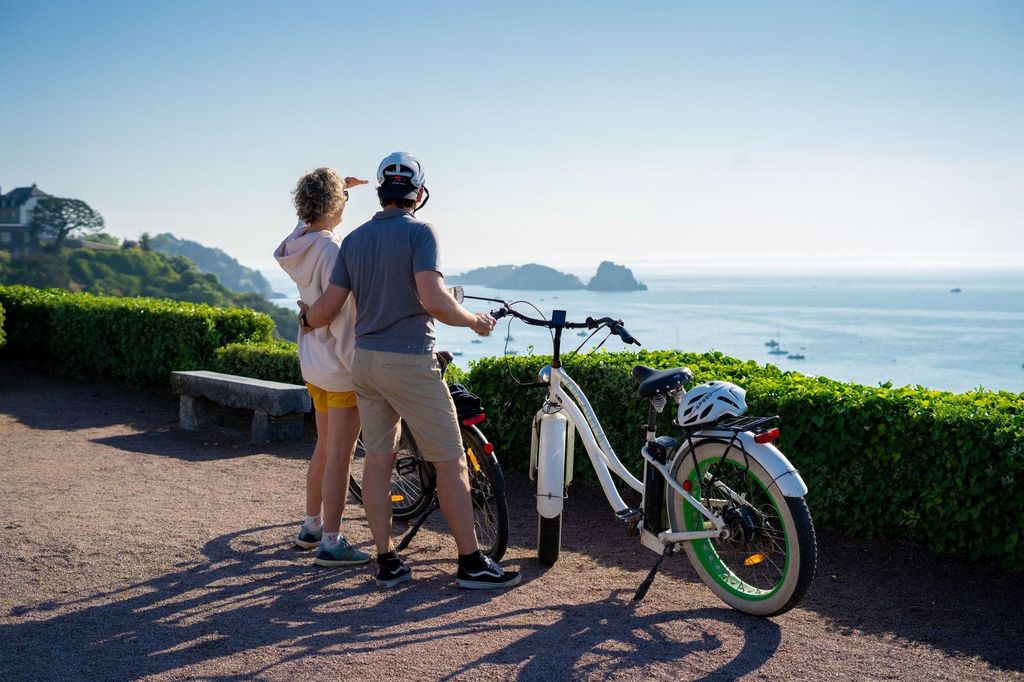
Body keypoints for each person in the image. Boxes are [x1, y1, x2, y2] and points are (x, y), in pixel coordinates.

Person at [300, 152, 520, 590]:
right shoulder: (422, 232)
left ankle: (387, 561)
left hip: (365, 363)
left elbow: (326, 310)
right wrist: (476, 321)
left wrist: (304, 320)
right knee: (451, 460)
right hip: (411, 361)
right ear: (419, 194)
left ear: (381, 193)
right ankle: (472, 564)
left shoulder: (356, 240)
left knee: (379, 460)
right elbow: (435, 300)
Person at [274, 167, 371, 567]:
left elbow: (303, 225)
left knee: (324, 446)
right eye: (342, 201)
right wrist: (360, 368)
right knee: (341, 456)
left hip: (313, 362)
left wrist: (335, 191)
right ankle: (331, 541)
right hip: (338, 366)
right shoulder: (334, 251)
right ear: (333, 206)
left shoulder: (299, 244)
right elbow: (344, 319)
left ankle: (311, 525)